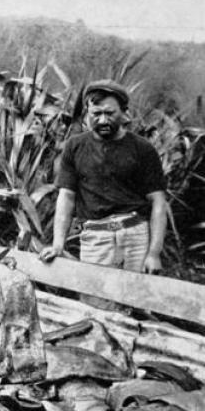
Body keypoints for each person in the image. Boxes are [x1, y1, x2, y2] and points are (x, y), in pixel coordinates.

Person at [39, 80, 168, 284]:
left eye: (110, 113)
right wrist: (57, 244)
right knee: (96, 302)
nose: (102, 120)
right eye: (96, 114)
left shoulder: (142, 149)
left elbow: (158, 202)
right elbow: (67, 196)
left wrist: (154, 253)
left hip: (136, 237)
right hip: (95, 239)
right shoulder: (75, 146)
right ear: (87, 114)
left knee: (136, 304)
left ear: (124, 112)